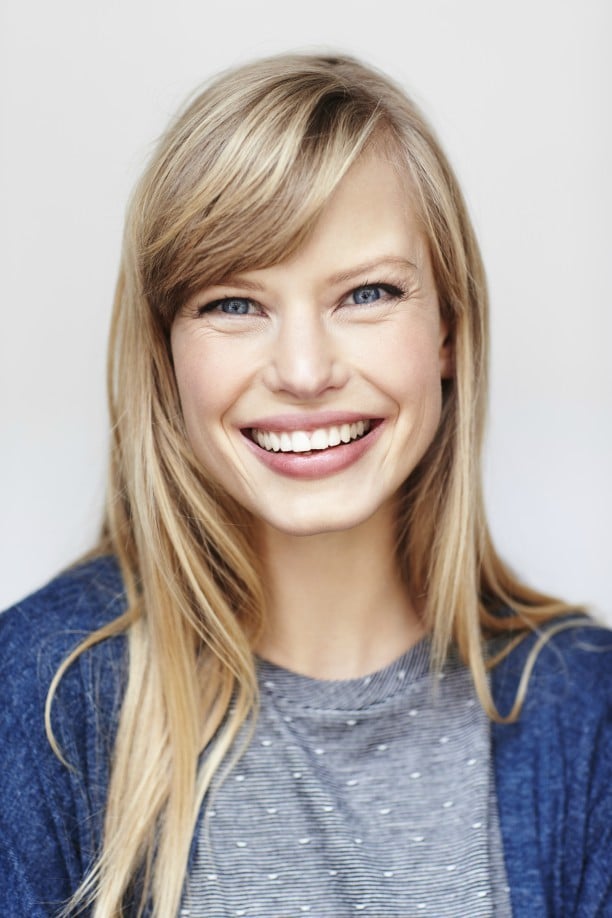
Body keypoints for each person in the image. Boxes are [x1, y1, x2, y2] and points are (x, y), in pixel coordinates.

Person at [1, 53, 610, 918]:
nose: (303, 370)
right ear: (165, 354)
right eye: (234, 304)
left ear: (447, 330)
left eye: (366, 293)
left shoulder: (586, 711)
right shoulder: (41, 699)